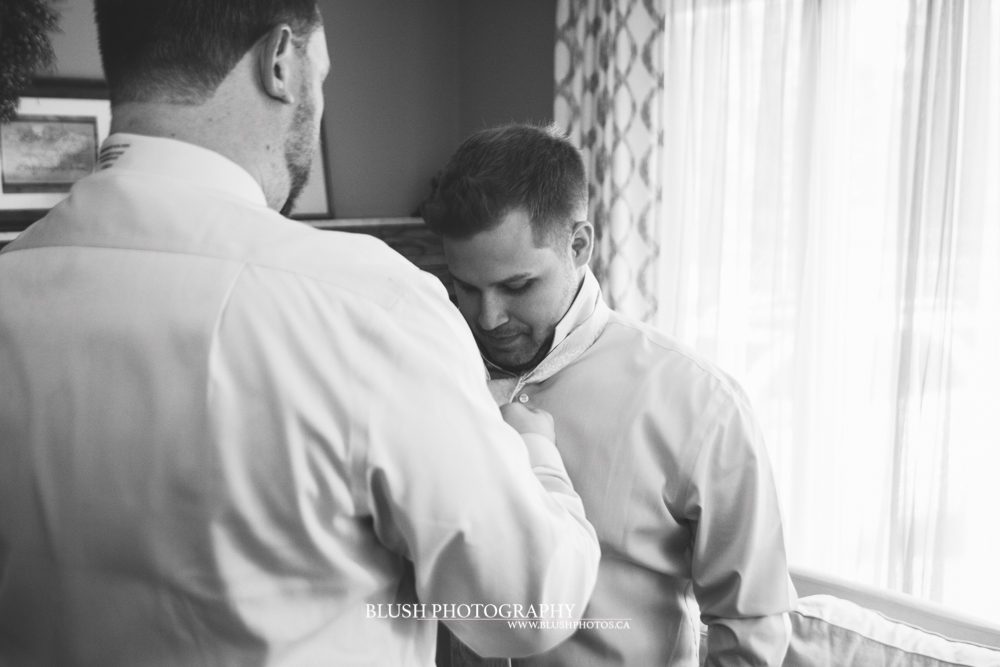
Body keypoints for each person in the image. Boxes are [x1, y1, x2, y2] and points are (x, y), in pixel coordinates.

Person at [0, 4, 600, 665]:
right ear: (281, 62)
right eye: (324, 73)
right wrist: (534, 452)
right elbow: (526, 607)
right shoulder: (369, 304)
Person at [422, 124, 797, 667]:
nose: (488, 317)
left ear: (579, 245)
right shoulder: (431, 376)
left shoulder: (699, 404)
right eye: (466, 286)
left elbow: (751, 627)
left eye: (517, 286)